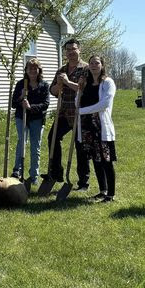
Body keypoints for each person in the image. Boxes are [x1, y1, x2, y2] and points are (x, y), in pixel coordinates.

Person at [46, 39, 90, 187]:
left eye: (74, 49)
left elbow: (85, 90)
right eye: (68, 50)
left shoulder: (86, 69)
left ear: (79, 50)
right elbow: (52, 91)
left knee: (80, 146)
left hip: (80, 113)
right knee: (52, 138)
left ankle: (83, 181)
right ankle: (56, 173)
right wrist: (59, 84)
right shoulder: (61, 70)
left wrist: (67, 83)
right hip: (64, 113)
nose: (71, 52)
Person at [78, 54, 117, 202]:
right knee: (96, 159)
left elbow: (104, 104)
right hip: (87, 127)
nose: (94, 65)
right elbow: (78, 103)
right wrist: (80, 88)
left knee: (106, 160)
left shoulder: (107, 83)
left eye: (97, 63)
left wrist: (82, 111)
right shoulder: (86, 84)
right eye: (91, 63)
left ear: (102, 65)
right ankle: (102, 190)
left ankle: (111, 194)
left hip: (101, 126)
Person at [11, 58, 50, 185]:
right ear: (26, 70)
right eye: (30, 68)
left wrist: (30, 107)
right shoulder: (21, 84)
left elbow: (45, 104)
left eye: (35, 68)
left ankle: (34, 176)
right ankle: (17, 171)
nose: (32, 70)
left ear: (39, 70)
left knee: (35, 147)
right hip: (21, 117)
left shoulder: (44, 85)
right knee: (21, 143)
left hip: (37, 119)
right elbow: (13, 104)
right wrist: (21, 96)